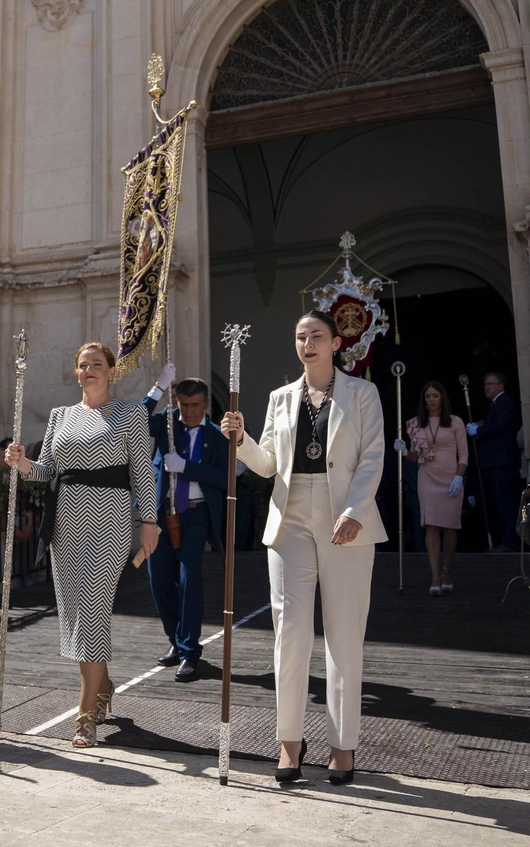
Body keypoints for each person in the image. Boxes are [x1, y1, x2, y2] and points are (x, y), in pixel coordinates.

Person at [219, 310, 386, 785]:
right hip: (290, 515)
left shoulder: (363, 393)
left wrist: (354, 511)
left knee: (343, 634)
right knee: (289, 631)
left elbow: (373, 456)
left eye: (316, 336)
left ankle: (342, 745)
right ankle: (289, 742)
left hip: (345, 515)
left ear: (336, 343)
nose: (307, 343)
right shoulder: (281, 397)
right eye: (300, 337)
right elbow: (269, 465)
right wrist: (242, 439)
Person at [5, 342, 158, 749]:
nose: (89, 369)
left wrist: (150, 522)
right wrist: (21, 463)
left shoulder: (130, 413)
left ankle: (86, 714)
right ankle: (104, 683)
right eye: (82, 365)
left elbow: (143, 472)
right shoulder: (61, 416)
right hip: (66, 522)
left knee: (92, 609)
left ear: (111, 370)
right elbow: (48, 471)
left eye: (97, 363)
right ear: (76, 373)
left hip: (110, 519)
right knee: (75, 614)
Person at [140, 363, 232, 683]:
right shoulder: (166, 424)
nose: (189, 412)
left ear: (205, 404)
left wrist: (188, 467)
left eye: (195, 405)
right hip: (162, 513)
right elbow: (133, 420)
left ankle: (190, 651)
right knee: (159, 580)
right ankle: (175, 641)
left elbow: (225, 477)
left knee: (190, 578)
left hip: (195, 513)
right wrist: (159, 387)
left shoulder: (218, 436)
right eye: (183, 404)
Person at [399, 381, 468, 597]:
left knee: (450, 526)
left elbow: (464, 454)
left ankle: (447, 572)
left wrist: (459, 477)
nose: (431, 399)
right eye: (428, 396)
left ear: (442, 398)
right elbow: (415, 455)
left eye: (435, 395)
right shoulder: (417, 424)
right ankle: (435, 576)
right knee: (430, 525)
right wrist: (403, 451)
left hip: (451, 477)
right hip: (427, 476)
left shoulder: (455, 422)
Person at [469, 371, 522, 551]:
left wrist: (479, 430)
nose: (486, 387)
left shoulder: (505, 402)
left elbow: (499, 426)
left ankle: (509, 542)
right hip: (493, 463)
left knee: (505, 504)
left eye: (490, 384)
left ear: (501, 385)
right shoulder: (495, 404)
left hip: (502, 463)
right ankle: (501, 541)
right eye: (485, 384)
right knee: (496, 504)